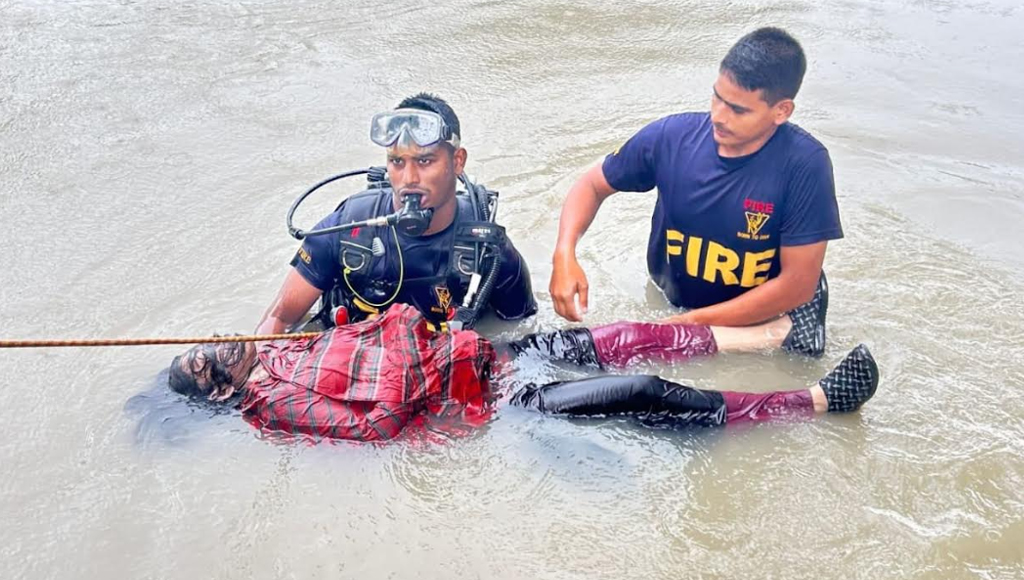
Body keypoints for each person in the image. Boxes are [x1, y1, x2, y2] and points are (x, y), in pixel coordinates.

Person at [167, 303, 879, 442]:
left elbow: (381, 325)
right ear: (222, 390)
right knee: (642, 391)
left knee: (626, 335)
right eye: (205, 363)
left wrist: (400, 326)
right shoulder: (273, 407)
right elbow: (380, 422)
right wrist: (405, 336)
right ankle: (814, 403)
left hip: (489, 354)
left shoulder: (285, 344)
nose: (215, 346)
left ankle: (779, 332)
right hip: (495, 402)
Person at [549, 27, 843, 357]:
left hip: (758, 324)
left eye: (739, 110)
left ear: (781, 111)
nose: (718, 116)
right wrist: (564, 254)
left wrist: (691, 324)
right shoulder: (671, 138)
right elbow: (591, 185)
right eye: (717, 97)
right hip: (669, 301)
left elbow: (797, 285)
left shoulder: (804, 165)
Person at [257, 93, 536, 335]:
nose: (409, 178)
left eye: (425, 161)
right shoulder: (349, 227)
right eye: (397, 161)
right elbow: (279, 319)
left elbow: (518, 335)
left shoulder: (489, 251)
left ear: (457, 161)